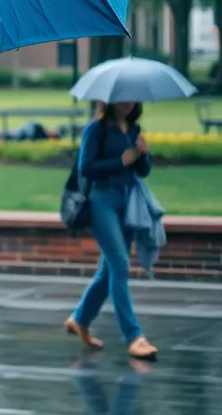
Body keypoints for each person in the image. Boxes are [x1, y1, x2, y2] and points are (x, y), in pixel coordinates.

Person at [65, 101, 158, 360]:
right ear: (110, 99)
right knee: (120, 265)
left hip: (128, 202)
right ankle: (134, 336)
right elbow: (86, 167)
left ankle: (80, 318)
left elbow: (144, 171)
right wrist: (121, 160)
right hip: (101, 202)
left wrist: (143, 153)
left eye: (133, 98)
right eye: (123, 97)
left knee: (108, 271)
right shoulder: (96, 129)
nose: (128, 103)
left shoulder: (133, 128)